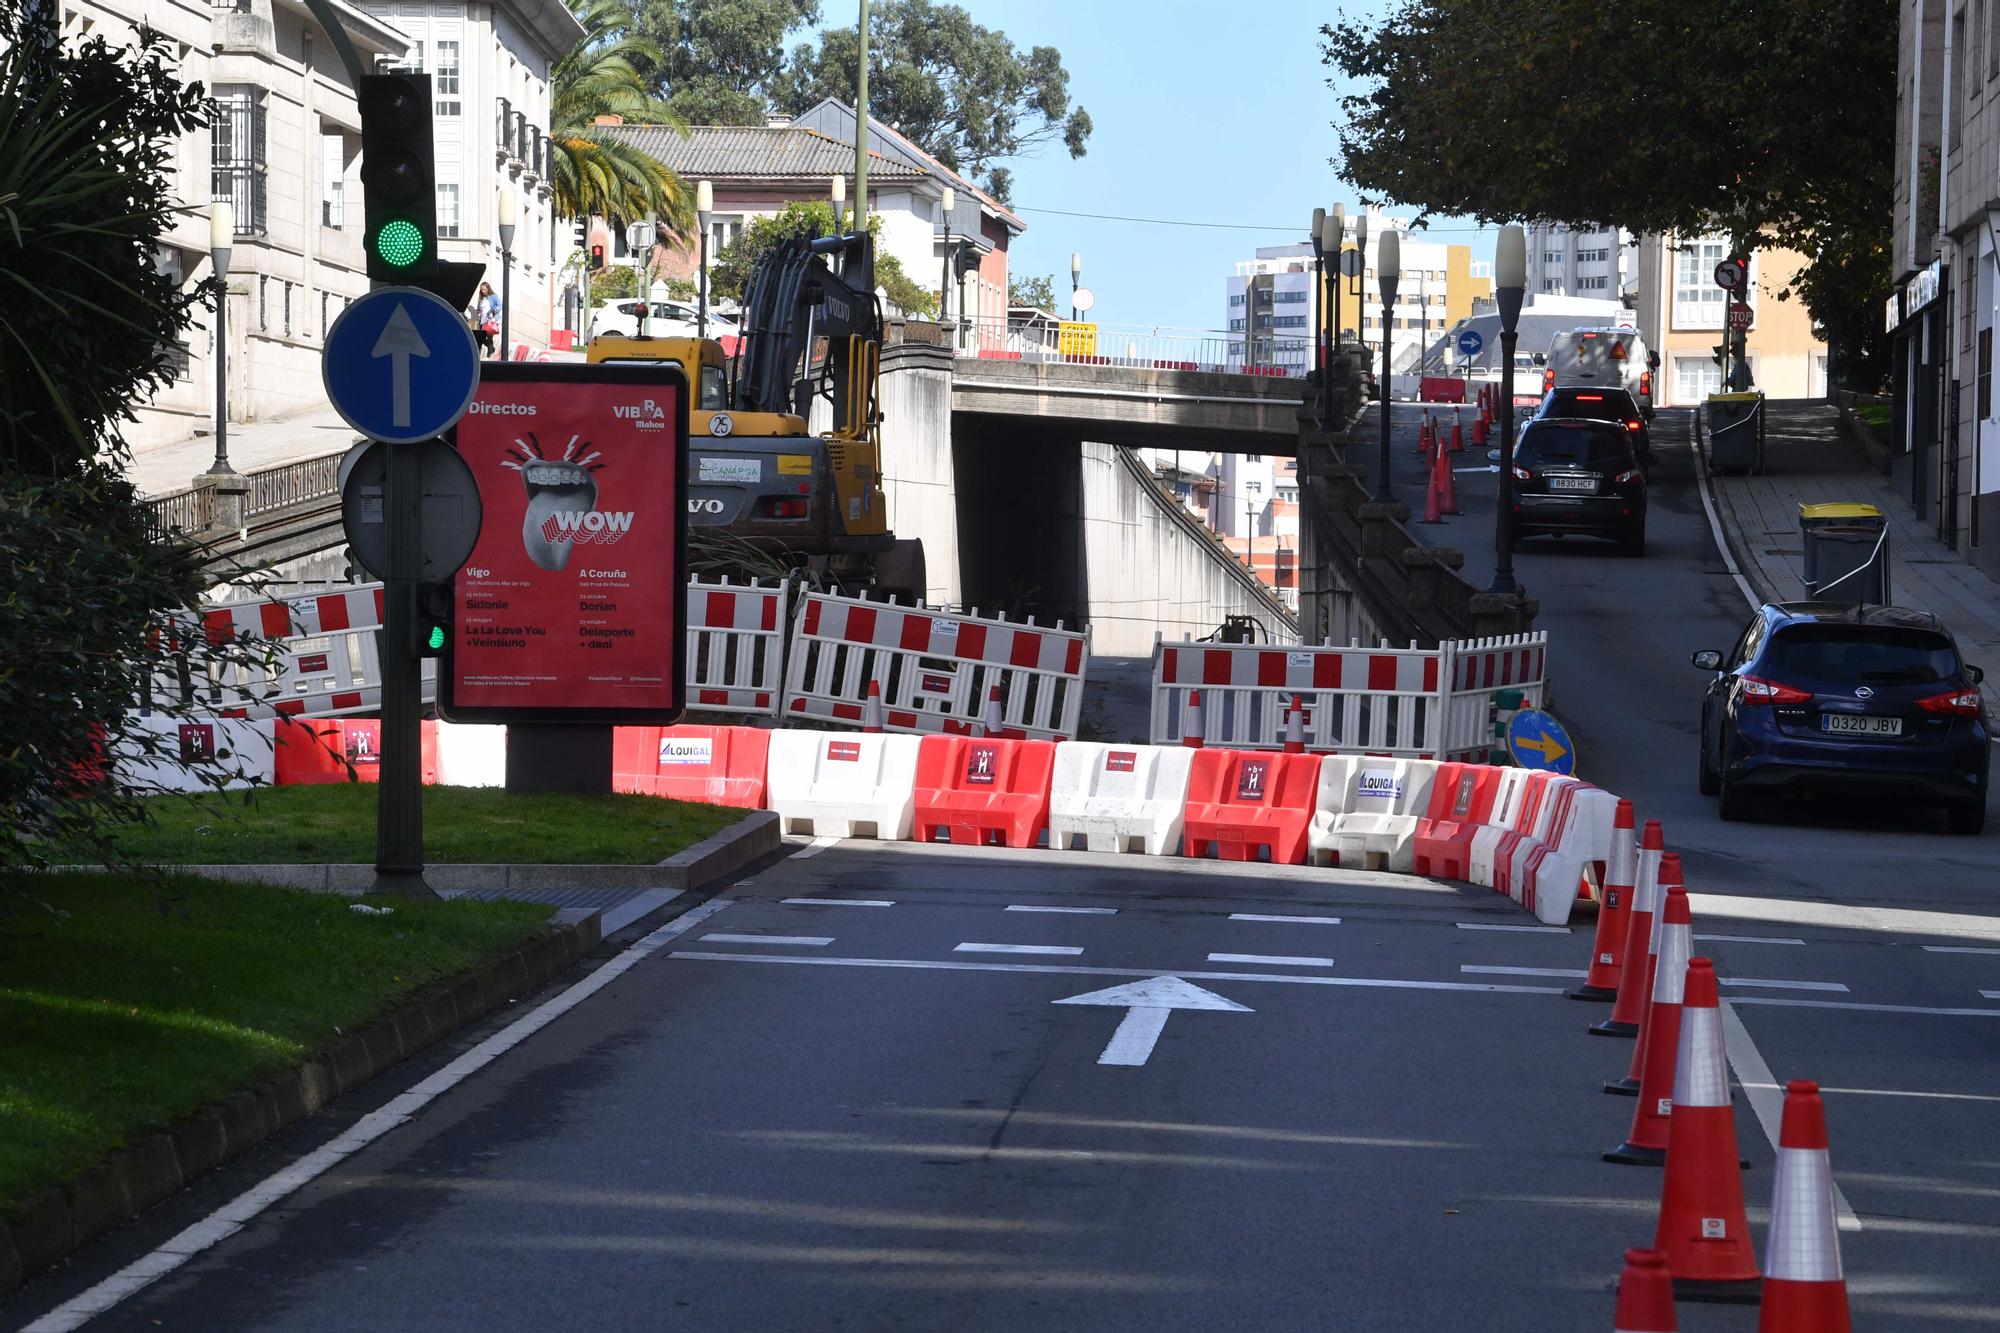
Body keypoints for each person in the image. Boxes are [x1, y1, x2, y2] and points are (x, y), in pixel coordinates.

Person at [471, 282, 501, 358]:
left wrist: (493, 312)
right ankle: (490, 349)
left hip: (490, 321)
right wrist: (476, 311)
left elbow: (499, 305)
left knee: (490, 338)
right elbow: (479, 309)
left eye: (484, 289)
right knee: (481, 338)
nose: (483, 291)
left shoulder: (494, 296)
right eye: (482, 290)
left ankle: (488, 356)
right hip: (482, 321)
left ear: (488, 288)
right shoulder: (480, 298)